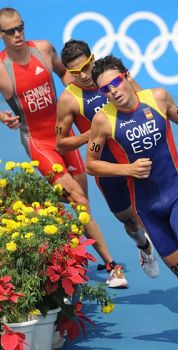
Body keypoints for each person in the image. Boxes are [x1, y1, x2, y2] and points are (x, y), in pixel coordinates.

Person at [86, 55, 178, 350]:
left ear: (126, 76)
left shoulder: (158, 98)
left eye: (115, 82)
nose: (112, 91)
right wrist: (127, 169)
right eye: (105, 90)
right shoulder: (103, 120)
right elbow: (91, 164)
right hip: (147, 210)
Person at [56, 39, 178, 310]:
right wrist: (90, 135)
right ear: (69, 73)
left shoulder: (114, 80)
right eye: (77, 73)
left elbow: (146, 105)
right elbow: (60, 144)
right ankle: (143, 248)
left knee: (163, 214)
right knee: (130, 222)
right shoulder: (69, 99)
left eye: (87, 66)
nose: (85, 75)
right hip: (107, 170)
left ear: (93, 58)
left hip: (139, 163)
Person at [0, 8, 127, 288]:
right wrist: (3, 115)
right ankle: (112, 265)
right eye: (10, 31)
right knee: (77, 201)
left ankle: (65, 263)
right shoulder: (1, 70)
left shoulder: (44, 50)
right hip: (38, 142)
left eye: (20, 27)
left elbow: (67, 77)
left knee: (83, 206)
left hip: (64, 135)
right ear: (1, 35)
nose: (18, 34)